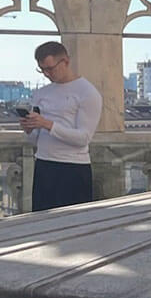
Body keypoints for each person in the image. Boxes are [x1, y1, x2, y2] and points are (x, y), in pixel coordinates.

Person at [21, 41, 102, 212]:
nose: (47, 74)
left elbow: (83, 138)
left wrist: (47, 124)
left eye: (50, 68)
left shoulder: (87, 92)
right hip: (43, 164)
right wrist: (30, 129)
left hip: (73, 168)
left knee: (73, 227)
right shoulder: (41, 93)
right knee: (42, 224)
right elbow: (36, 139)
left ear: (65, 61)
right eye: (42, 69)